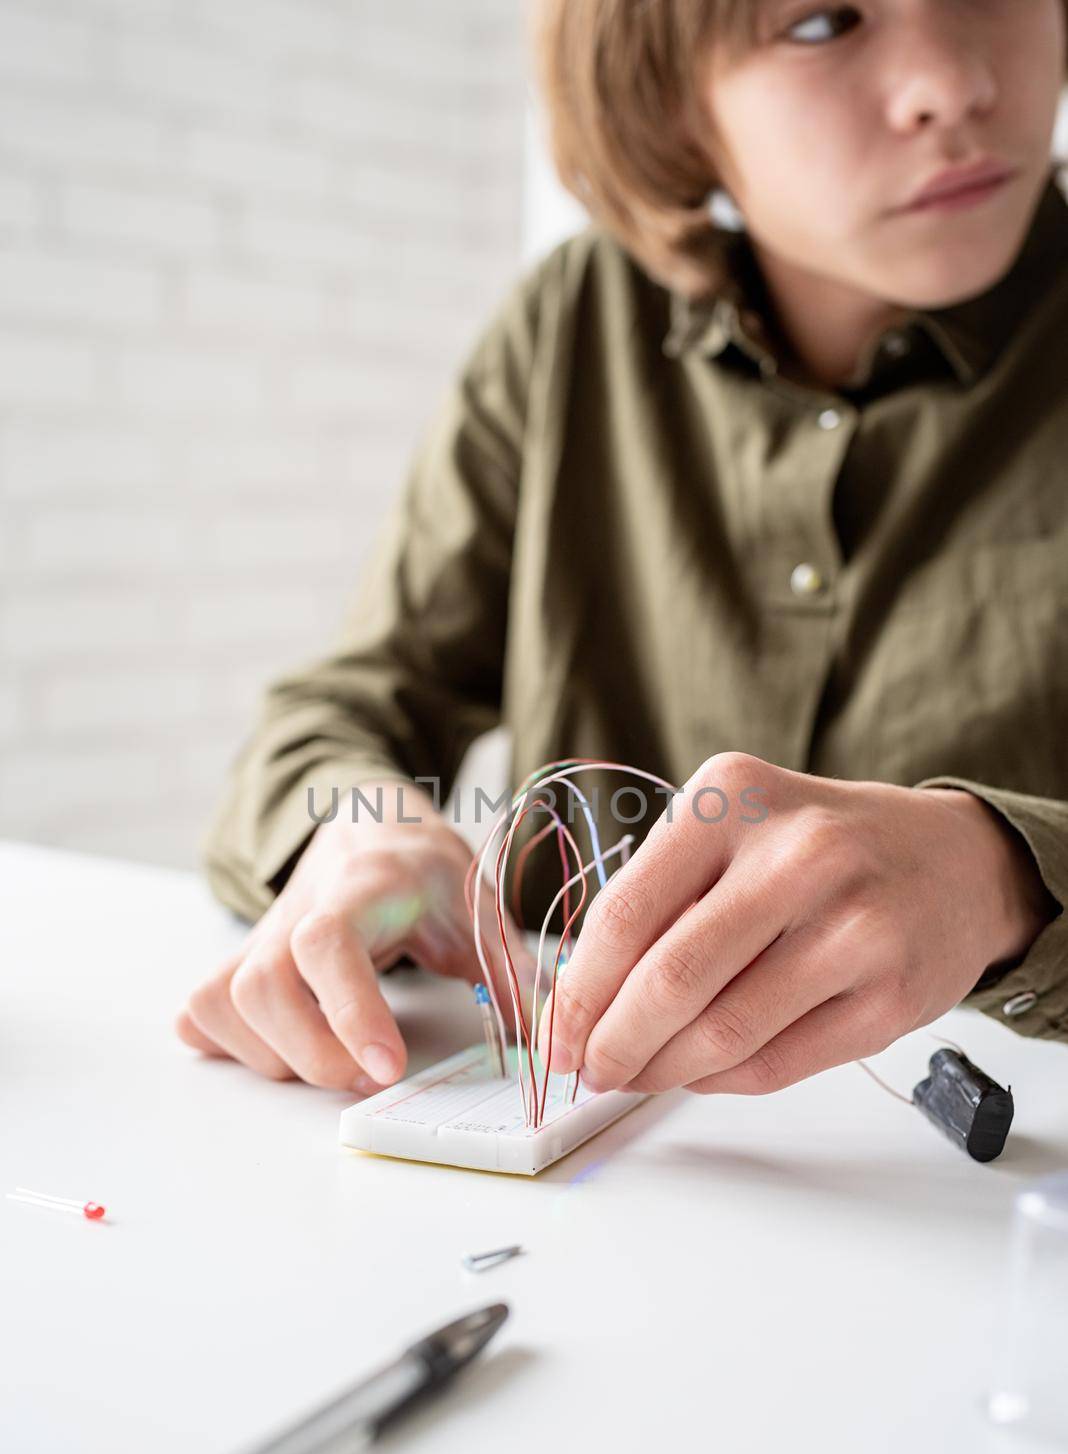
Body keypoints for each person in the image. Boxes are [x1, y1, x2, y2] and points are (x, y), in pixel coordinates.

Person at [176, 0, 1068, 1102]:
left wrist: (1007, 875)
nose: (951, 82)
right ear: (668, 100)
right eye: (825, 22)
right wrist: (367, 829)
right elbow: (342, 712)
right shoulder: (570, 326)